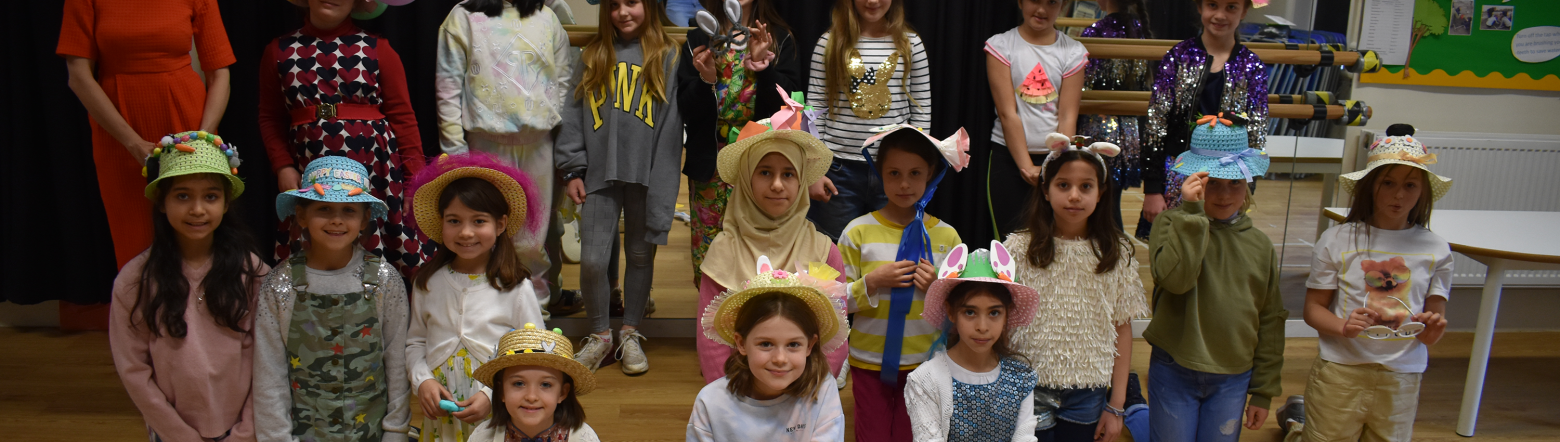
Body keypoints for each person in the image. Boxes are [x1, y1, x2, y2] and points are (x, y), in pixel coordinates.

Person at [59, 0, 235, 329]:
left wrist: (203, 138)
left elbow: (220, 73)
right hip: (118, 131)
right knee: (135, 245)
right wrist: (132, 142)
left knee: (195, 234)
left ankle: (204, 348)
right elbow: (79, 76)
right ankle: (147, 353)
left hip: (188, 124)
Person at [1291, 124, 1454, 441]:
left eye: (1410, 185)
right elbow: (1313, 309)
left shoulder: (1436, 249)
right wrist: (1343, 327)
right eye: (1388, 183)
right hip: (1341, 371)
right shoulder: (1336, 239)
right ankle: (1298, 426)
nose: (1398, 194)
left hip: (1402, 377)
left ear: (1423, 192)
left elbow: (1433, 324)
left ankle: (1296, 421)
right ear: (1369, 186)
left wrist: (1433, 329)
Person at [556, 0, 684, 376]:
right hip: (598, 174)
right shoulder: (594, 54)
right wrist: (572, 168)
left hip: (646, 176)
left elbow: (672, 128)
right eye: (614, 6)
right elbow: (572, 113)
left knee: (641, 257)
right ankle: (600, 335)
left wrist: (664, 183)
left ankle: (630, 331)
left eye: (632, 3)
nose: (623, 13)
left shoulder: (668, 56)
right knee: (594, 260)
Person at [111, 132, 265, 442]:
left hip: (245, 430)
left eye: (210, 196)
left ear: (225, 203)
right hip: (171, 433)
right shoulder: (134, 281)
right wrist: (178, 435)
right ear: (162, 203)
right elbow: (134, 370)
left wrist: (246, 431)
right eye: (182, 196)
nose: (197, 209)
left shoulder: (252, 273)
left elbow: (269, 357)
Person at [260, 0, 431, 277]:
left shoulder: (379, 49)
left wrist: (415, 180)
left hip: (376, 172)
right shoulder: (277, 51)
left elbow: (403, 117)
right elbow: (270, 116)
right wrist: (283, 165)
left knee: (381, 245)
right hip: (311, 167)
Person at [1144, 116, 1285, 442]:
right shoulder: (1169, 224)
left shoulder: (1260, 246)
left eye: (1234, 182)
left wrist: (1263, 390)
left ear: (1247, 183)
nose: (1223, 194)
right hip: (1174, 368)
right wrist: (1192, 217)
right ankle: (1137, 413)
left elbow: (1271, 318)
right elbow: (1177, 281)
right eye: (1212, 182)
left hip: (1233, 376)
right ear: (1195, 181)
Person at [253, 156, 411, 442]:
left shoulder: (386, 280)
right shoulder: (279, 285)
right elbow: (269, 372)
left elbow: (397, 365)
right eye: (324, 208)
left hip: (372, 432)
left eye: (348, 210)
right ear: (301, 215)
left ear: (364, 219)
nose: (336, 219)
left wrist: (396, 432)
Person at [1004, 134, 1146, 441]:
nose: (1074, 196)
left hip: (1088, 392)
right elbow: (1000, 319)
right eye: (1063, 185)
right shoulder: (1017, 249)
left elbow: (1122, 328)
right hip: (1028, 386)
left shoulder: (1116, 253)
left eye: (1086, 186)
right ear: (1045, 190)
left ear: (1101, 192)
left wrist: (1117, 404)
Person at [434, 0, 574, 311]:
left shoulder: (547, 18)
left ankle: (536, 316)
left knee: (533, 239)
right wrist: (455, 153)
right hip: (485, 144)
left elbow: (564, 81)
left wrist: (564, 145)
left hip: (540, 142)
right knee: (484, 232)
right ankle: (487, 313)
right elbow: (448, 87)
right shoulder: (463, 17)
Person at [695, 109, 850, 383]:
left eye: (789, 174)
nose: (777, 185)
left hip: (805, 390)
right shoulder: (724, 250)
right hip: (740, 390)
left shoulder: (824, 251)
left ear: (802, 180)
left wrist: (812, 389)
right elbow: (712, 341)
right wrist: (731, 394)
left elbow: (835, 337)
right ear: (746, 179)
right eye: (765, 172)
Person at [404, 153, 550, 441]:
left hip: (498, 408)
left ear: (500, 224)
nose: (466, 232)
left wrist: (492, 394)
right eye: (454, 220)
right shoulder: (427, 282)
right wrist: (423, 382)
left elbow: (535, 351)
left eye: (479, 220)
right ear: (441, 223)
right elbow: (416, 342)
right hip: (442, 413)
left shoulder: (516, 288)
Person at [837, 125, 969, 441]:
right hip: (869, 363)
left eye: (914, 173)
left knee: (916, 435)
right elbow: (835, 302)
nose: (904, 183)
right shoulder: (857, 233)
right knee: (873, 435)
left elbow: (962, 310)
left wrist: (938, 288)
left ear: (932, 174)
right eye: (893, 173)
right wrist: (871, 282)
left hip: (925, 365)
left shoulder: (947, 237)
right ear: (878, 173)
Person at [678, 0, 801, 286]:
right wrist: (705, 80)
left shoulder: (779, 38)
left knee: (760, 255)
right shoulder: (699, 37)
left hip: (761, 165)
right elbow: (685, 109)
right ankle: (712, 325)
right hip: (710, 166)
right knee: (709, 257)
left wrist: (764, 70)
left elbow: (791, 106)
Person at [1139, 0, 1269, 240]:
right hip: (1177, 174)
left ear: (1244, 11)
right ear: (1199, 7)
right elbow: (1156, 124)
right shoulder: (1179, 57)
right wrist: (1153, 189)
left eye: (1231, 7)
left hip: (1227, 180)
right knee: (1175, 247)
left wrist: (1246, 186)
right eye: (1212, 5)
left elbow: (1257, 131)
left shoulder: (1252, 66)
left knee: (1219, 249)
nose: (1220, 15)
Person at [806, 0, 932, 240]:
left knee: (892, 246)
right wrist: (814, 169)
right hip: (838, 170)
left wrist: (917, 169)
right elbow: (815, 109)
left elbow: (922, 109)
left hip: (895, 171)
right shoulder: (829, 43)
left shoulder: (910, 44)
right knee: (834, 249)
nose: (872, 1)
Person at [688, 260, 849, 441]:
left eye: (793, 345)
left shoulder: (822, 389)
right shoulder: (711, 403)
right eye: (765, 344)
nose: (780, 358)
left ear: (810, 346)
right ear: (741, 343)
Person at [906, 242, 1041, 442]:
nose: (982, 326)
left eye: (994, 313)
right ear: (951, 312)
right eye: (970, 312)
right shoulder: (925, 380)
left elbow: (1025, 437)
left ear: (1007, 314)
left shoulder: (1021, 378)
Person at [985, 0, 1089, 238]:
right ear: (1021, 2)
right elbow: (1007, 113)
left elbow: (1068, 114)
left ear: (1062, 6)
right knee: (1010, 239)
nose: (1042, 10)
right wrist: (1025, 165)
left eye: (1052, 3)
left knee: (1052, 239)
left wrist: (1058, 161)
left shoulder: (1072, 51)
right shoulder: (1001, 45)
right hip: (1008, 159)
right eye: (1035, 1)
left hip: (1054, 161)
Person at [1077, 0, 1154, 230]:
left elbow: (1084, 84)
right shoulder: (1142, 30)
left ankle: (1114, 256)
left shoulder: (1095, 32)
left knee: (1101, 205)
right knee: (1110, 200)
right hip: (1129, 129)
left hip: (1097, 127)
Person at [467, 324, 602, 441]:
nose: (531, 397)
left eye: (545, 384)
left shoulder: (583, 438)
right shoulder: (482, 437)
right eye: (519, 383)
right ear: (501, 390)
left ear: (562, 392)